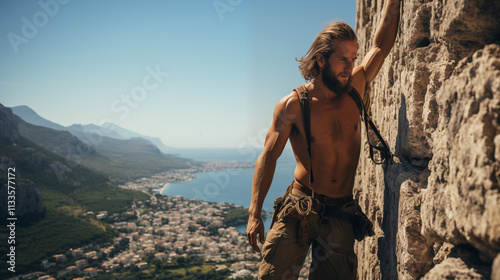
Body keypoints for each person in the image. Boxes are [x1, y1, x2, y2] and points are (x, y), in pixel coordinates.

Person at [246, 0, 402, 279]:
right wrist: (254, 212)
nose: (350, 66)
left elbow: (382, 46)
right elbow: (269, 156)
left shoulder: (356, 87)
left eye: (354, 58)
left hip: (341, 213)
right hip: (299, 208)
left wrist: (393, 3)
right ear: (321, 59)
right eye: (343, 59)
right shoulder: (293, 104)